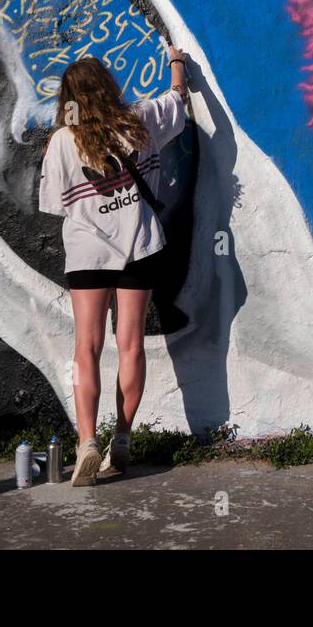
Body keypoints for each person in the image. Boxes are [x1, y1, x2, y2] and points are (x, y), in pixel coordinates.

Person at [38, 51, 188, 486]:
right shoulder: (140, 121)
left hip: (87, 255)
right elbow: (177, 98)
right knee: (130, 345)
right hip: (138, 249)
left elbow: (54, 205)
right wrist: (175, 62)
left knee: (86, 346)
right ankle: (121, 439)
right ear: (108, 87)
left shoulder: (63, 141)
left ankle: (87, 441)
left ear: (68, 99)